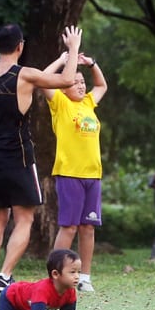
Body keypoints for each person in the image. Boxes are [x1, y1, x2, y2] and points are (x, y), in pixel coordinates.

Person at [0, 23, 83, 293]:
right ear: (20, 46)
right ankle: (4, 275)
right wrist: (73, 48)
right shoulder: (26, 75)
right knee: (24, 219)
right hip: (18, 155)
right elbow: (67, 81)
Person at [42, 53, 107, 292]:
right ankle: (56, 276)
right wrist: (61, 60)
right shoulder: (60, 103)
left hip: (93, 175)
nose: (80, 85)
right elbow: (44, 78)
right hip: (69, 173)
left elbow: (101, 85)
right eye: (74, 82)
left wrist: (92, 63)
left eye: (82, 82)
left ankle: (85, 277)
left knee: (88, 227)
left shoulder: (89, 102)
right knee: (68, 227)